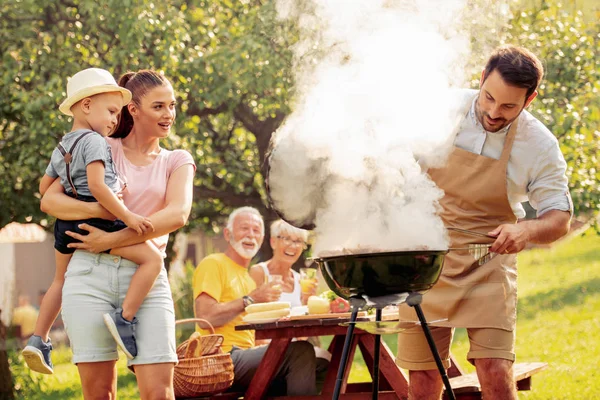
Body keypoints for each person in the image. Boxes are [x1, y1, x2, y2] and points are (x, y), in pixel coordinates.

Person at [397, 45, 572, 400]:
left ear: (530, 99)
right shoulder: (438, 110)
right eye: (489, 97)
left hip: (489, 259)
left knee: (494, 368)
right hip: (425, 256)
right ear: (480, 80)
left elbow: (559, 217)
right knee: (424, 377)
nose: (494, 112)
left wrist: (525, 230)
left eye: (509, 106)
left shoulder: (539, 145)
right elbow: (391, 160)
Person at [38, 69, 195, 399]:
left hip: (146, 280)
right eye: (159, 106)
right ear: (133, 110)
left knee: (159, 393)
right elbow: (50, 199)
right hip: (90, 277)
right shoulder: (98, 145)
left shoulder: (177, 160)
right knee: (99, 393)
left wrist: (112, 239)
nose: (169, 114)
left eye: (173, 105)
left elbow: (177, 214)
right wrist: (101, 211)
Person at [23, 68, 164, 375]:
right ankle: (124, 318)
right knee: (152, 259)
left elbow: (44, 190)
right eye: (112, 112)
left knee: (59, 280)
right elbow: (99, 186)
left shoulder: (63, 145)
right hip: (99, 224)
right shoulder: (96, 141)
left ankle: (38, 338)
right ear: (86, 105)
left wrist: (73, 199)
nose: (115, 120)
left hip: (67, 225)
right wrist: (125, 214)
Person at [193, 207, 319, 396]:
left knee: (325, 365)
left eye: (256, 230)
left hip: (244, 355)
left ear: (262, 239)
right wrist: (250, 299)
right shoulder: (214, 263)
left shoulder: (247, 277)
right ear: (228, 234)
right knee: (301, 353)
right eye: (244, 228)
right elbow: (205, 316)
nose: (251, 235)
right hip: (221, 358)